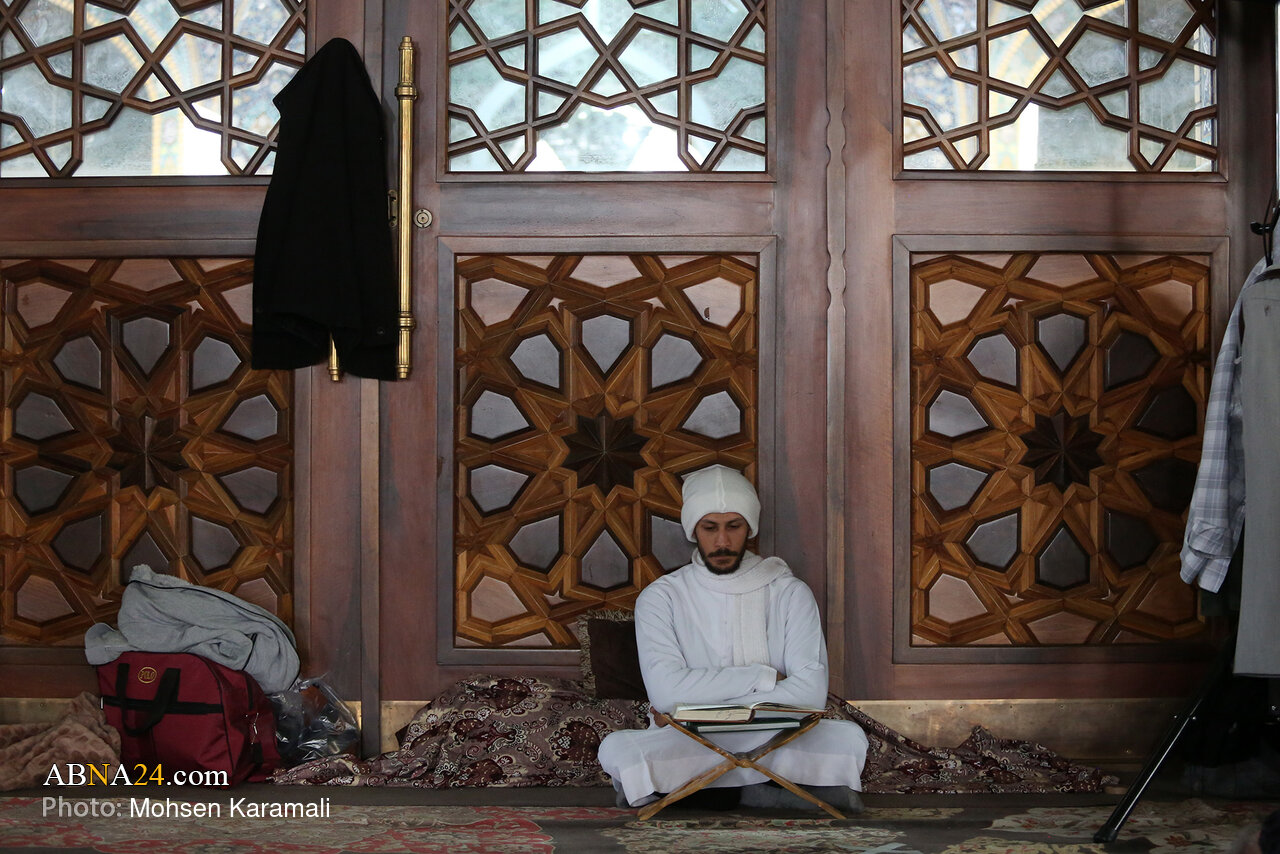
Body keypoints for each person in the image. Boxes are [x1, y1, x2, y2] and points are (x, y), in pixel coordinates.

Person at [597, 465, 868, 811]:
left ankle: (704, 792)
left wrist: (690, 699)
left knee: (848, 740)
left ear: (749, 529)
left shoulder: (788, 592)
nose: (722, 541)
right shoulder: (662, 596)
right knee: (618, 748)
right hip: (692, 739)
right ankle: (770, 788)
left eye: (733, 527)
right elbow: (665, 692)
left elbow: (811, 696)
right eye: (710, 528)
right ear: (693, 530)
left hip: (779, 736)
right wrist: (762, 677)